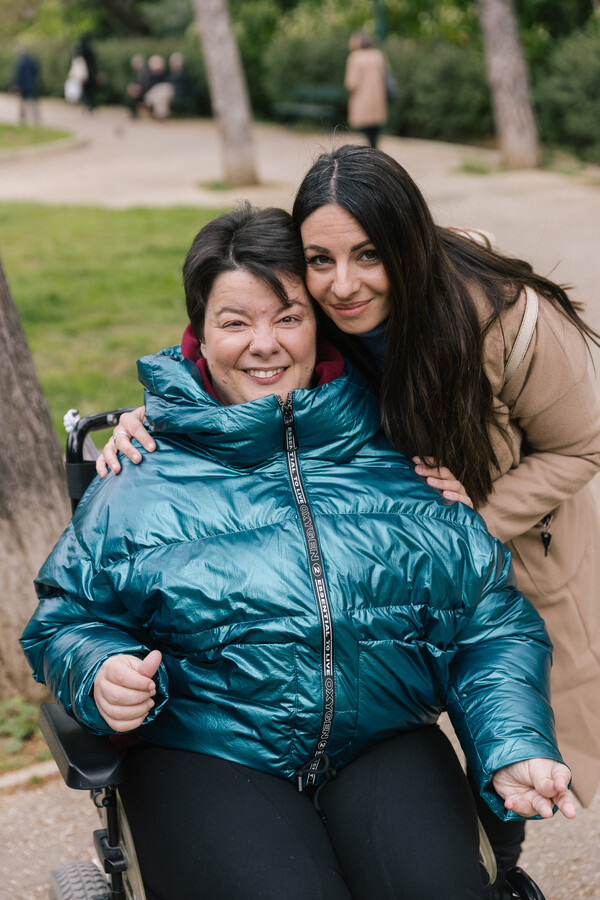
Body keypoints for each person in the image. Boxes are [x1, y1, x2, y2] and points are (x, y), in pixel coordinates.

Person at [22, 205, 575, 900]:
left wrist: (514, 742)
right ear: (199, 331)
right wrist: (100, 669)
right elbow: (65, 618)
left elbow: (489, 622)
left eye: (288, 317)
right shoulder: (140, 473)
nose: (264, 344)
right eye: (235, 321)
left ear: (322, 321)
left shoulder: (402, 451)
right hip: (207, 746)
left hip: (380, 738)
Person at [344, 31, 386, 149]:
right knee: (374, 127)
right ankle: (374, 148)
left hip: (362, 98)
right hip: (377, 97)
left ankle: (371, 149)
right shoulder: (377, 55)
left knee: (366, 126)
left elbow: (351, 83)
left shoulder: (355, 57)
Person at [11, 47, 40, 126]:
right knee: (33, 101)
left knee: (23, 102)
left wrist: (16, 85)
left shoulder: (20, 62)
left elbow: (18, 75)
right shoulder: (31, 61)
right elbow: (36, 70)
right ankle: (36, 117)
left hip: (23, 85)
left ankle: (23, 118)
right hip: (31, 84)